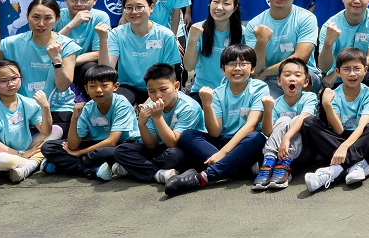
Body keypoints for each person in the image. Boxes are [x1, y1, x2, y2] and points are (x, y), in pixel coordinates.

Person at [0, 0, 80, 139]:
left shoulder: (66, 45)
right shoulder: (14, 42)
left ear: (57, 19)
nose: (41, 23)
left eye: (48, 18)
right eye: (36, 17)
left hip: (56, 108)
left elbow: (63, 86)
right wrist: (3, 84)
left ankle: (22, 145)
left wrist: (56, 60)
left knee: (55, 133)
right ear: (27, 16)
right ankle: (27, 144)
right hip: (19, 106)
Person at [163, 44, 269, 196]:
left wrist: (223, 154)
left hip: (244, 142)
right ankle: (237, 166)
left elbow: (251, 126)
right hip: (222, 140)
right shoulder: (218, 93)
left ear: (252, 69)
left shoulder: (259, 87)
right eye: (231, 64)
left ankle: (203, 177)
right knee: (187, 135)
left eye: (243, 64)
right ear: (223, 69)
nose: (237, 68)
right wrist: (206, 104)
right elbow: (214, 132)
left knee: (256, 137)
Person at [300, 47, 369, 192]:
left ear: (365, 70)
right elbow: (338, 130)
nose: (352, 74)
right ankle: (358, 164)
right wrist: (326, 104)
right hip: (338, 139)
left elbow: (363, 126)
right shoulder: (334, 94)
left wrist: (344, 147)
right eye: (346, 69)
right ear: (337, 72)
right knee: (309, 123)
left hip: (360, 138)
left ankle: (333, 172)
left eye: (357, 68)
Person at [43, 63, 139, 179]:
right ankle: (90, 170)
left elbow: (112, 141)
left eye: (104, 85)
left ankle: (69, 165)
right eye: (93, 86)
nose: (98, 90)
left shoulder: (121, 103)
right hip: (96, 144)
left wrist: (80, 153)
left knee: (107, 153)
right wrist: (74, 118)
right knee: (49, 147)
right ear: (86, 89)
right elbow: (72, 146)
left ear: (115, 86)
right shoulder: (88, 107)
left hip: (122, 144)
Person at [114, 63, 205, 184]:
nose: (157, 96)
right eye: (151, 91)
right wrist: (142, 124)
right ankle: (158, 173)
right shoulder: (149, 107)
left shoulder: (188, 107)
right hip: (161, 149)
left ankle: (135, 168)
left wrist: (157, 118)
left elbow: (173, 143)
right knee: (121, 151)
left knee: (174, 155)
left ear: (176, 86)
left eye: (163, 89)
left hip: (183, 149)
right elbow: (151, 145)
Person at [245, 0, 321, 95]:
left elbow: (301, 57)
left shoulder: (306, 18)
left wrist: (266, 72)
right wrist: (261, 41)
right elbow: (255, 68)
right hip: (268, 80)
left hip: (302, 74)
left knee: (297, 81)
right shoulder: (254, 24)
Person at [0, 60, 50, 182]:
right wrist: (20, 154)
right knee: (3, 159)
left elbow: (46, 130)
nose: (11, 84)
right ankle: (33, 163)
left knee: (56, 130)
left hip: (25, 150)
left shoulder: (27, 103)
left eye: (14, 78)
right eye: (3, 81)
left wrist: (45, 107)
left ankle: (26, 166)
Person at [104, 0, 182, 105]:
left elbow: (167, 75)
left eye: (139, 7)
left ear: (151, 7)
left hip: (158, 86)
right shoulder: (116, 34)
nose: (134, 12)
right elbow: (107, 68)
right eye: (129, 8)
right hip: (128, 86)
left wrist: (146, 105)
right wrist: (102, 39)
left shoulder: (165, 35)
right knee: (117, 102)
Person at [251, 57, 317, 190]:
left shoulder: (310, 97)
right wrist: (268, 110)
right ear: (279, 81)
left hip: (302, 151)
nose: (292, 78)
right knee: (283, 120)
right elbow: (268, 132)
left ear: (306, 82)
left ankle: (284, 166)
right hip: (277, 151)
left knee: (296, 119)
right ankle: (268, 163)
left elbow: (304, 116)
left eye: (298, 75)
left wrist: (286, 138)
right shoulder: (276, 102)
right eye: (287, 75)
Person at [183, 0, 242, 94]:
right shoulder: (198, 29)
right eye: (216, 2)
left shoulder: (242, 32)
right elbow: (188, 66)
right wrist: (192, 39)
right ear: (209, 4)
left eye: (226, 3)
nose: (219, 7)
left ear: (234, 8)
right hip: (203, 91)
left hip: (233, 92)